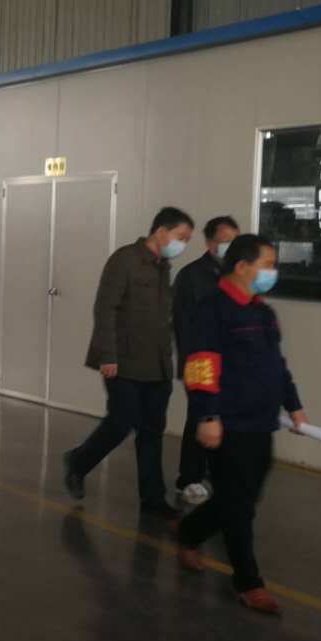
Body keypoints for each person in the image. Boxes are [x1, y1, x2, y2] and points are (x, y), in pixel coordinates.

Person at [177, 233, 309, 615]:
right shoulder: (212, 310)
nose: (273, 271)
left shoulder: (263, 313)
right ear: (241, 267)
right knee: (238, 506)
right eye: (268, 264)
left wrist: (294, 406)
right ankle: (248, 583)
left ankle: (189, 532)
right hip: (227, 422)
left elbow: (277, 366)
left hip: (261, 422)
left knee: (242, 498)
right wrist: (208, 416)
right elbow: (200, 367)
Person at [63, 207, 195, 520]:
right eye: (181, 237)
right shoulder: (125, 260)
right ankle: (78, 462)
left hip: (157, 364)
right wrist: (107, 355)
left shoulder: (163, 268)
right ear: (161, 231)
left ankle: (153, 499)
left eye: (187, 239)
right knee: (121, 423)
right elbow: (105, 309)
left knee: (152, 432)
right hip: (123, 362)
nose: (183, 244)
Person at [172, 215, 240, 507]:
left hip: (229, 362)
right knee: (200, 417)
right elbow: (183, 326)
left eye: (235, 241)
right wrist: (193, 366)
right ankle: (189, 478)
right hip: (200, 362)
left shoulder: (237, 274)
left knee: (223, 419)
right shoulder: (191, 277)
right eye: (226, 241)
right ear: (211, 243)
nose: (231, 247)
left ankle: (214, 474)